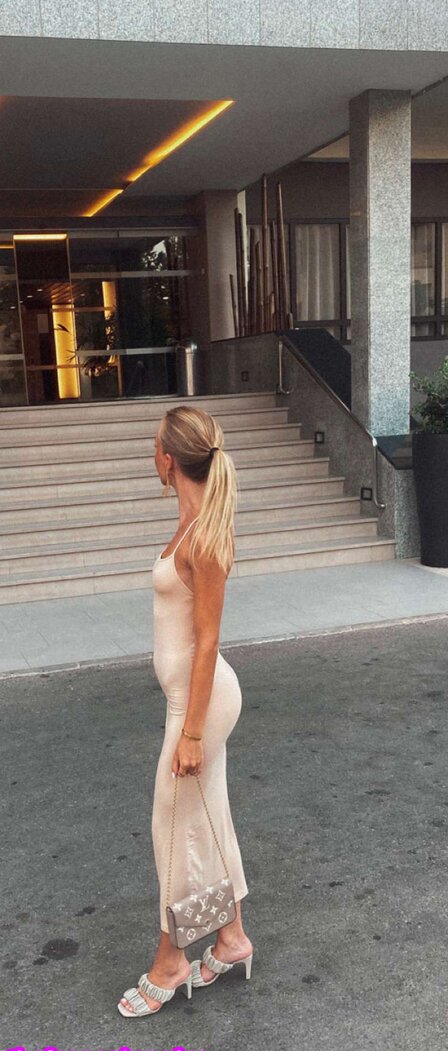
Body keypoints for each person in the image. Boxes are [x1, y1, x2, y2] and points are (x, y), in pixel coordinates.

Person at [118, 405, 252, 1017]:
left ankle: (171, 961)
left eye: (154, 447)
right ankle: (232, 938)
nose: (152, 456)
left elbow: (207, 643)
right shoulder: (188, 526)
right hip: (191, 701)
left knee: (170, 826)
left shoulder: (205, 539)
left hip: (201, 705)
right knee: (208, 817)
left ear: (168, 460)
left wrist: (192, 733)